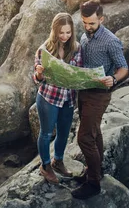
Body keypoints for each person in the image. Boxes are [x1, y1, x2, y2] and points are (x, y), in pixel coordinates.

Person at [71, 0, 129, 199]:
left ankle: (93, 184)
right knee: (94, 134)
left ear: (101, 19)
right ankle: (95, 170)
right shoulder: (85, 37)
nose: (87, 27)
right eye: (85, 22)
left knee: (84, 138)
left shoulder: (111, 40)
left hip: (99, 95)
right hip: (84, 91)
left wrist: (113, 78)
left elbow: (123, 68)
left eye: (92, 23)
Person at [33, 12, 82, 184]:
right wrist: (39, 74)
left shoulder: (76, 47)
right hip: (48, 98)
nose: (64, 36)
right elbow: (36, 80)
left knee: (64, 132)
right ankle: (45, 166)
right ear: (54, 30)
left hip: (68, 98)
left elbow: (79, 72)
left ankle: (58, 161)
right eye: (61, 32)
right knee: (46, 133)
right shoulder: (44, 49)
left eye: (68, 32)